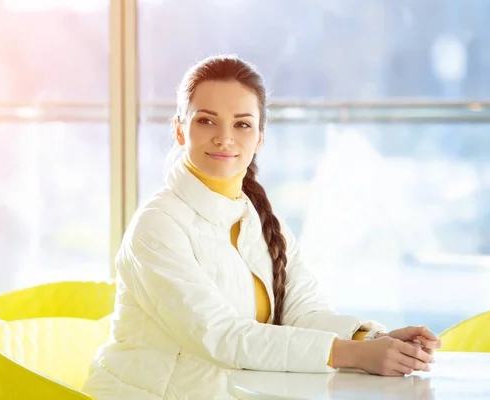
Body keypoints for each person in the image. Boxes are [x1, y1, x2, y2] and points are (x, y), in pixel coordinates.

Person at [82, 55, 442, 399]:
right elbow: (221, 335)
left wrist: (370, 340)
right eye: (206, 120)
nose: (225, 138)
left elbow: (303, 312)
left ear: (261, 137)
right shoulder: (157, 226)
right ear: (179, 130)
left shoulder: (263, 220)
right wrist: (351, 355)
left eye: (242, 124)